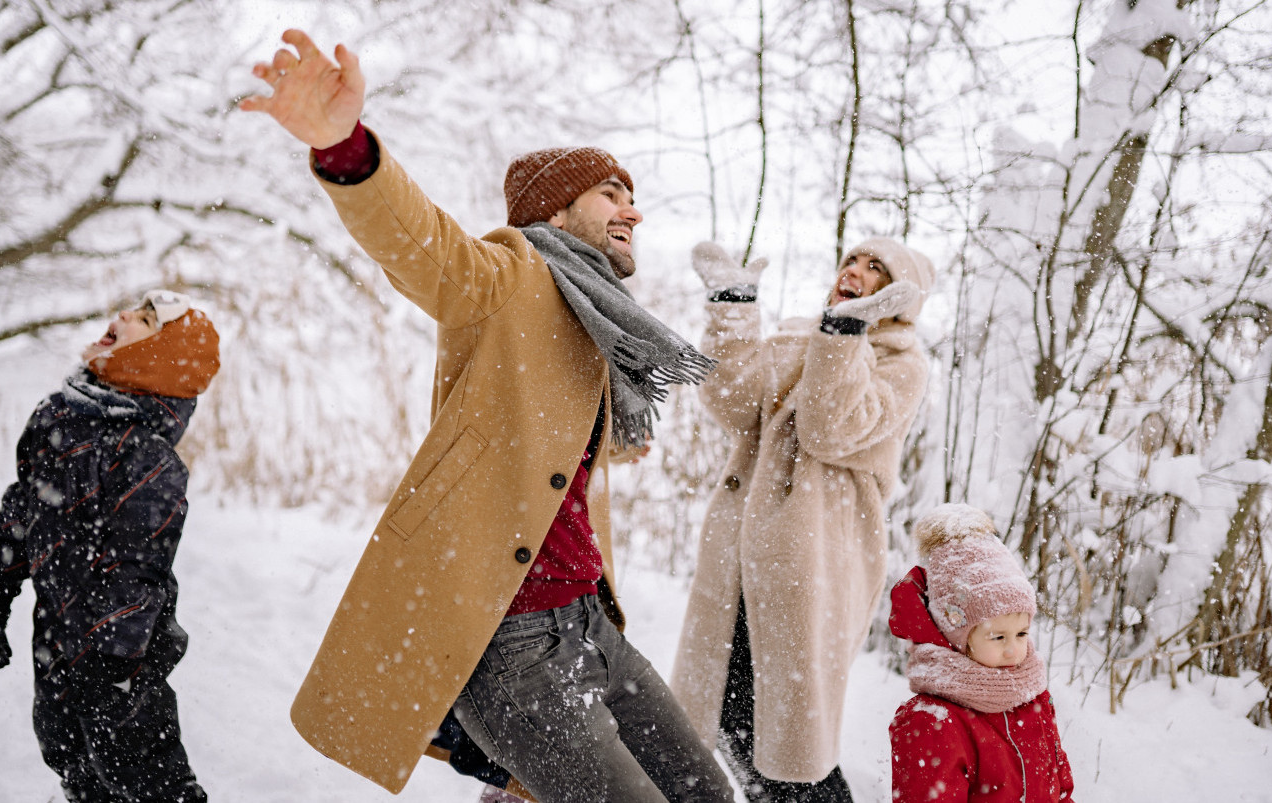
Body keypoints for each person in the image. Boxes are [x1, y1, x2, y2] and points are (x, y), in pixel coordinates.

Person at [239, 30, 733, 803]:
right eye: (610, 193)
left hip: (591, 623)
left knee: (708, 792)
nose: (632, 210)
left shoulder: (598, 318)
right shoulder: (511, 274)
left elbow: (541, 445)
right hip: (515, 640)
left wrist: (601, 446)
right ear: (555, 209)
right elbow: (426, 248)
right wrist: (346, 148)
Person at [670, 237, 934, 801]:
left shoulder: (902, 365)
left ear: (901, 297)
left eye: (876, 269)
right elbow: (733, 401)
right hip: (741, 557)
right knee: (729, 714)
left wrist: (845, 336)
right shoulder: (802, 334)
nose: (854, 272)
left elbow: (827, 429)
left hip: (813, 561)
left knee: (789, 738)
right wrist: (733, 309)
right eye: (851, 260)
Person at [0, 290, 220, 802]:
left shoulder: (146, 457)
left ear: (156, 357)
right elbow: (24, 505)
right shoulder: (58, 416)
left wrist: (111, 664)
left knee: (142, 770)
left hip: (123, 651)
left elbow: (137, 568)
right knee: (66, 748)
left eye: (145, 319)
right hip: (57, 630)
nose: (124, 314)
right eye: (133, 308)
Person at [887, 504, 1076, 802]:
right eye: (998, 637)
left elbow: (1060, 789)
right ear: (958, 638)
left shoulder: (1032, 699)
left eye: (1021, 634)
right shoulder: (934, 721)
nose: (1013, 650)